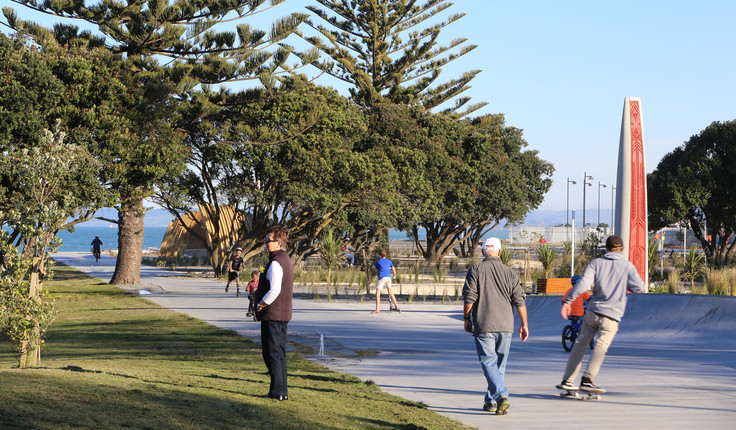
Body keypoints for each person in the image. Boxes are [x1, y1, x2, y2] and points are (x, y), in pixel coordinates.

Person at [558, 235, 645, 393]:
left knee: (579, 344)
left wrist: (568, 301)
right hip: (611, 316)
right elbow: (639, 287)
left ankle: (568, 380)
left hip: (592, 312)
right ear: (622, 249)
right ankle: (587, 380)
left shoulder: (596, 263)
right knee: (600, 347)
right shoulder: (627, 266)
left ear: (606, 248)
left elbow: (583, 283)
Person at [463, 237, 528, 415]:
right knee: (499, 365)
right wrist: (524, 324)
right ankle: (491, 401)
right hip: (506, 325)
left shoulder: (475, 270)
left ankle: (500, 397)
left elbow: (470, 298)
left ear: (484, 252)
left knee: (488, 362)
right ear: (500, 252)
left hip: (484, 323)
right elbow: (519, 301)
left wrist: (467, 318)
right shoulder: (510, 273)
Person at [254, 226, 294, 401]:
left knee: (272, 353)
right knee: (279, 352)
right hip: (282, 314)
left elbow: (275, 289)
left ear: (278, 243)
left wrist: (262, 304)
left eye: (268, 240)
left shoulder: (277, 262)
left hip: (274, 314)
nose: (265, 243)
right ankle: (280, 391)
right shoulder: (285, 259)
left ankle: (277, 391)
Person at [371, 249, 400, 314]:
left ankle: (377, 309)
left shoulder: (378, 262)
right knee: (390, 292)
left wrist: (378, 278)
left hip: (382, 278)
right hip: (388, 278)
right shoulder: (389, 261)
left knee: (378, 293)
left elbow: (377, 272)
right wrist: (394, 275)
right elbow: (393, 268)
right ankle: (396, 306)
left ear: (379, 255)